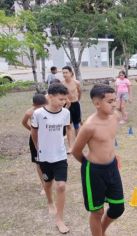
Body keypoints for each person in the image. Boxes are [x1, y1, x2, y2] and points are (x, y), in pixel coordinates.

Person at [71, 84, 125, 236]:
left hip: (112, 167)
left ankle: (101, 231)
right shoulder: (89, 126)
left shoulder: (115, 117)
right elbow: (76, 151)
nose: (114, 104)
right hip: (93, 171)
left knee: (117, 208)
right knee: (97, 211)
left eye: (115, 100)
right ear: (97, 104)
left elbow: (108, 141)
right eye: (110, 101)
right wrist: (90, 166)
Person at [31, 83, 73, 234]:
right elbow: (33, 133)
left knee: (61, 186)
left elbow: (68, 128)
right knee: (48, 184)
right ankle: (50, 201)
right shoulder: (38, 114)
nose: (63, 102)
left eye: (65, 99)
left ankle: (59, 220)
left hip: (60, 155)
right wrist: (38, 149)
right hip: (44, 157)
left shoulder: (65, 113)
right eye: (61, 99)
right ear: (50, 97)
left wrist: (70, 146)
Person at [22, 93, 47, 195]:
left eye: (43, 106)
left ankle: (51, 180)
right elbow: (23, 122)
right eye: (38, 107)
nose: (41, 108)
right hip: (35, 139)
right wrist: (32, 131)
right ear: (34, 104)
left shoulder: (48, 109)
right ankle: (44, 186)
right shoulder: (29, 112)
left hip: (47, 138)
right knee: (38, 162)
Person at [61, 66, 82, 135]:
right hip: (66, 105)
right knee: (67, 123)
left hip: (75, 104)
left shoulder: (76, 83)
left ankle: (77, 139)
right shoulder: (62, 84)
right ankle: (67, 137)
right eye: (63, 73)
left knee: (76, 123)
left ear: (71, 73)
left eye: (66, 72)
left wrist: (77, 100)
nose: (64, 74)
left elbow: (79, 92)